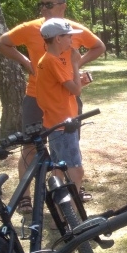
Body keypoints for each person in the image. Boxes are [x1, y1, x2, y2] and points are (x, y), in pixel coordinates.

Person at [0, 0, 105, 213]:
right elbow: (0, 43)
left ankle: (67, 192)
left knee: (66, 145)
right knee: (30, 146)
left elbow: (99, 46)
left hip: (64, 99)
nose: (43, 8)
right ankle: (25, 196)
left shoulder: (72, 30)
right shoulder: (30, 28)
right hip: (35, 97)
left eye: (49, 4)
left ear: (63, 6)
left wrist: (75, 66)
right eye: (41, 4)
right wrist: (26, 62)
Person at [35, 19, 85, 192]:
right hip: (63, 124)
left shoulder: (47, 60)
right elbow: (76, 90)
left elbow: (62, 89)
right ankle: (74, 207)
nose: (71, 40)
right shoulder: (52, 61)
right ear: (58, 39)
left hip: (54, 122)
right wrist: (75, 63)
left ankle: (60, 204)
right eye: (68, 36)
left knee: (58, 168)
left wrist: (79, 80)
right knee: (76, 171)